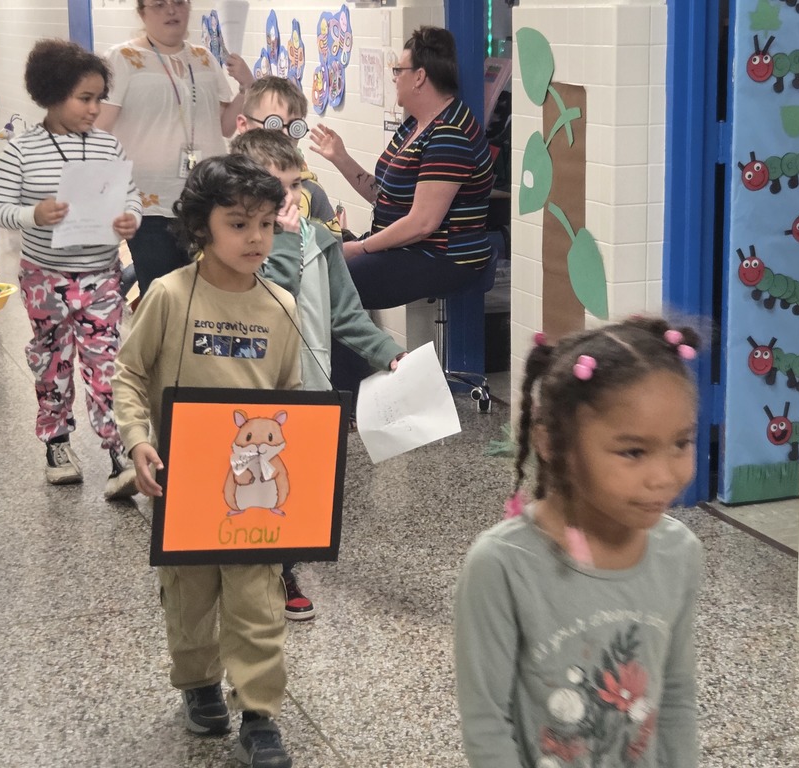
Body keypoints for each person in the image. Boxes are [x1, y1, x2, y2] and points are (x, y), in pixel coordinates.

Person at [112, 154, 300, 768]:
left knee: (257, 600)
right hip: (183, 483)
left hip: (258, 488)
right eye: (239, 223)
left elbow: (291, 402)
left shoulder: (282, 306)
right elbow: (130, 376)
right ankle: (197, 682)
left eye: (267, 224)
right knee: (189, 598)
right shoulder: (167, 297)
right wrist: (139, 440)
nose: (256, 238)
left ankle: (260, 712)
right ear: (201, 227)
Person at [454, 318, 705, 768]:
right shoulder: (502, 566)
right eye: (632, 452)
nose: (665, 476)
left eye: (681, 443)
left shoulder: (678, 553)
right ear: (553, 443)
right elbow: (486, 723)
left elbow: (676, 697)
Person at [230, 129, 406, 623]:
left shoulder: (318, 238)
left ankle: (284, 569)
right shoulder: (231, 241)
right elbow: (268, 299)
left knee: (293, 487)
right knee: (247, 479)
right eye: (275, 186)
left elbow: (347, 314)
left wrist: (391, 355)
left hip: (308, 384)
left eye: (294, 185)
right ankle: (243, 569)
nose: (289, 199)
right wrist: (281, 239)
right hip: (248, 387)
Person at [0, 39, 140, 499]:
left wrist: (130, 217)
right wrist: (34, 214)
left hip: (100, 275)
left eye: (99, 98)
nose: (95, 109)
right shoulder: (20, 150)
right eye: (85, 98)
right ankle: (56, 443)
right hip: (44, 278)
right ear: (53, 93)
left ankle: (119, 453)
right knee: (52, 362)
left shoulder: (108, 146)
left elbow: (131, 195)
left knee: (106, 364)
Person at [309, 26, 495, 396]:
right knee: (326, 271)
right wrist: (341, 158)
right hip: (411, 247)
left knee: (334, 285)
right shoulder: (414, 124)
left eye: (399, 70)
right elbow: (385, 198)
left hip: (444, 257)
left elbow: (423, 223)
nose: (395, 77)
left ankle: (351, 401)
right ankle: (346, 393)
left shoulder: (450, 133)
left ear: (420, 77)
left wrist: (361, 247)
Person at [96, 0, 255, 297]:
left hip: (206, 197)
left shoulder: (204, 58)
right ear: (142, 12)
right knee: (162, 291)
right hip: (148, 201)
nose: (172, 11)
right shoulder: (122, 58)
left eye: (179, 3)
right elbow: (100, 130)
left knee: (207, 291)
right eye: (159, 5)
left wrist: (246, 87)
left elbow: (225, 126)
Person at [237, 75, 340, 236]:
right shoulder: (225, 187)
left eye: (294, 126)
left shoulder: (311, 193)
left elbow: (332, 254)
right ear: (243, 125)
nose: (284, 135)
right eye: (274, 124)